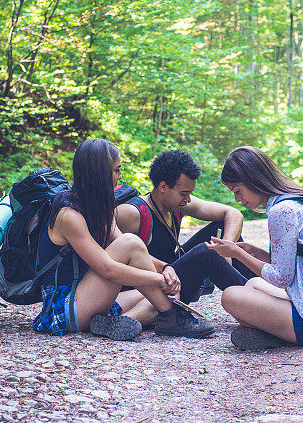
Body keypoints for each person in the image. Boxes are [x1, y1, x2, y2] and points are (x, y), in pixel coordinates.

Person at [33, 138, 215, 341]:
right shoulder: (68, 215)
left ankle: (123, 321)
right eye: (117, 170)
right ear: (100, 173)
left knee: (160, 297)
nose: (121, 176)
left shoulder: (101, 206)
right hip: (65, 308)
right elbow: (109, 269)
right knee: (149, 276)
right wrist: (159, 279)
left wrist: (165, 268)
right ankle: (172, 318)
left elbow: (133, 251)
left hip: (86, 295)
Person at [206, 146, 303, 350]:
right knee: (251, 285)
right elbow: (296, 266)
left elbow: (281, 278)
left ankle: (281, 337)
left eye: (237, 191)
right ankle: (277, 334)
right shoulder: (292, 201)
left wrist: (238, 254)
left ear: (252, 179)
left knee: (230, 296)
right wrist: (254, 252)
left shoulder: (281, 211)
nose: (238, 199)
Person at [115, 149, 252, 304]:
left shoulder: (179, 204)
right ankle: (255, 302)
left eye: (190, 193)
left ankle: (261, 288)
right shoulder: (132, 213)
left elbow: (233, 214)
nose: (188, 200)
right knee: (205, 253)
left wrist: (228, 252)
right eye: (183, 193)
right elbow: (114, 258)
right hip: (154, 285)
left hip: (173, 270)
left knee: (223, 229)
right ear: (163, 187)